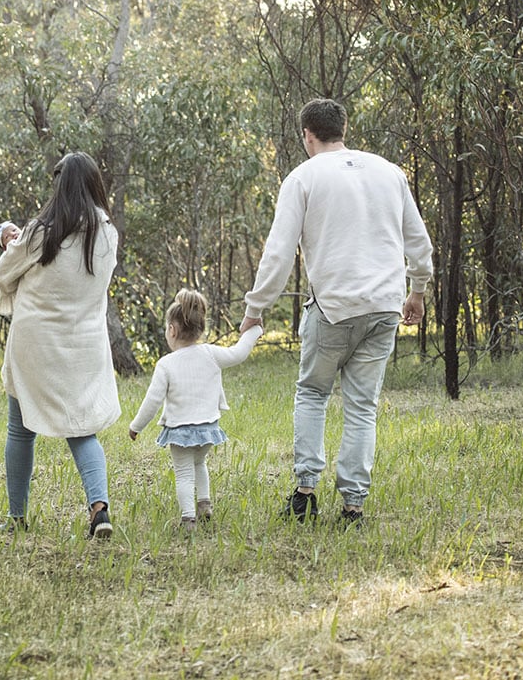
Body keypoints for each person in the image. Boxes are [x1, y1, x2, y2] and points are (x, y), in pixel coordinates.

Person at [239, 98, 434, 525]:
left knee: (312, 392)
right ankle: (353, 506)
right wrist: (417, 292)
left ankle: (305, 492)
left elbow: (278, 253)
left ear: (307, 135)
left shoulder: (303, 177)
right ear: (343, 129)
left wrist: (255, 310)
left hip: (333, 308)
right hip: (385, 306)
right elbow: (418, 242)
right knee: (362, 406)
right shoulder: (389, 172)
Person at [0, 152, 121, 539]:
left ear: (61, 186)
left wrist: (7, 239)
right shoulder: (108, 235)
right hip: (82, 345)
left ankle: (17, 517)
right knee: (82, 429)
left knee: (20, 429)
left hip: (36, 346)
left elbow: (5, 273)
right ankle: (99, 510)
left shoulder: (41, 232)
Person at [128, 289, 262, 531]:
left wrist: (136, 426)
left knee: (183, 474)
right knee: (200, 464)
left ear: (172, 330)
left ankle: (188, 518)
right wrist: (254, 331)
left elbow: (152, 401)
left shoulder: (166, 364)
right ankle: (205, 504)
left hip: (181, 431)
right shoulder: (211, 353)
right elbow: (239, 353)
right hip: (208, 429)